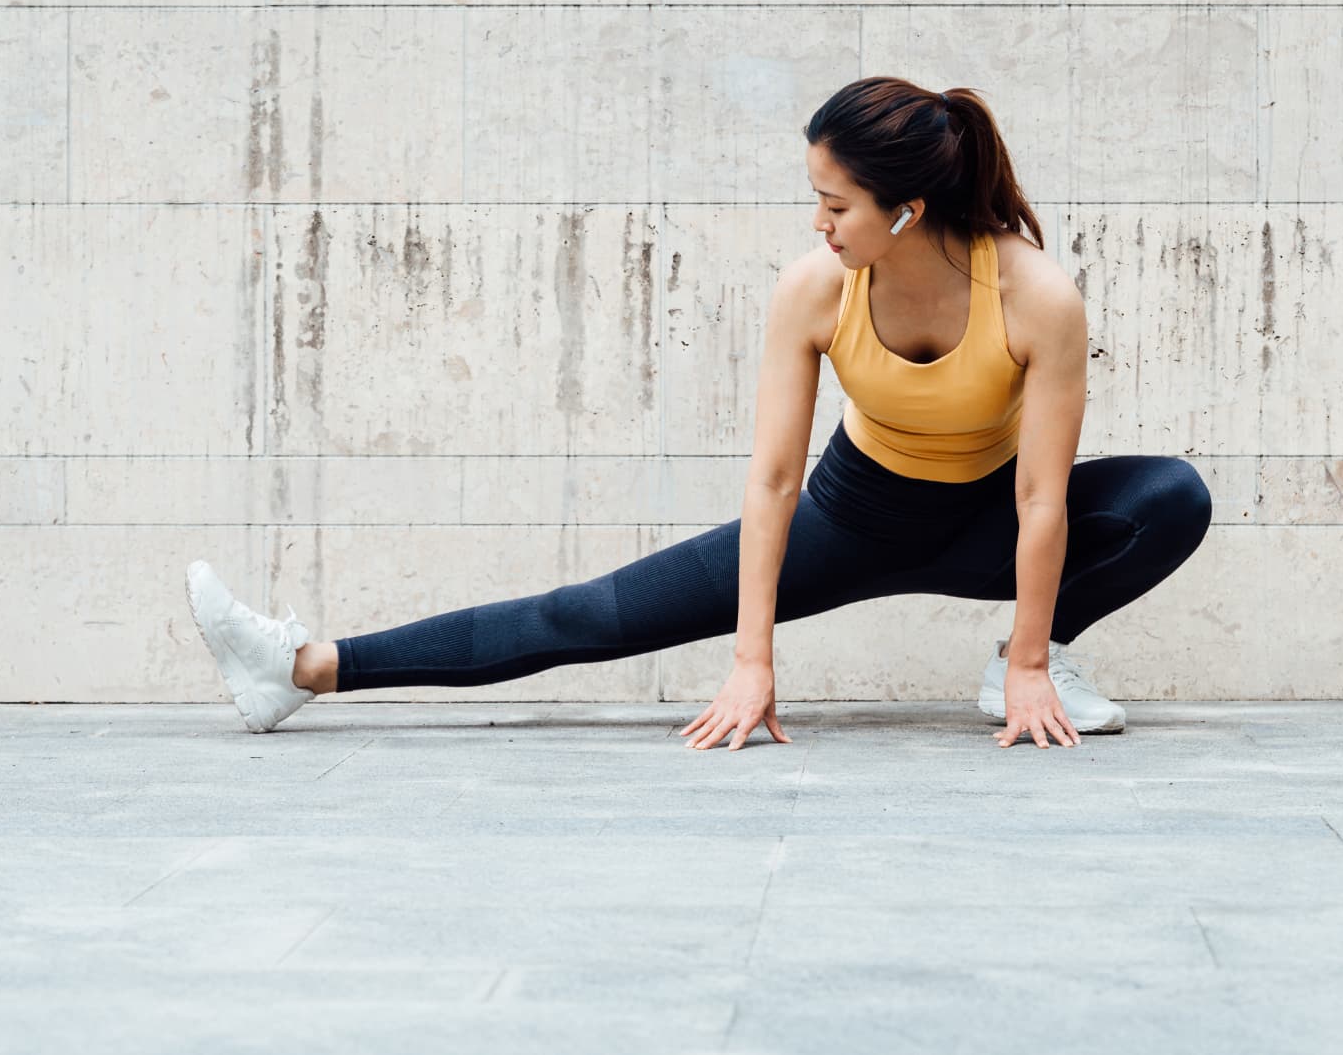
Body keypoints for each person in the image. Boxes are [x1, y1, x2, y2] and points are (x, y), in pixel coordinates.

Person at [186, 76, 1212, 751]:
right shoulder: (816, 285)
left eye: (835, 204)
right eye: (814, 197)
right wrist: (752, 658)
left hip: (989, 525)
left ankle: (1019, 664)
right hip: (848, 522)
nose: (817, 222)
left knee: (1167, 496)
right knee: (581, 616)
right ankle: (299, 668)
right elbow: (771, 479)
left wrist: (1028, 659)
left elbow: (1041, 499)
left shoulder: (1034, 296)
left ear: (906, 210)